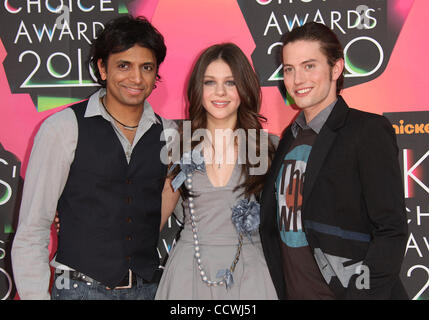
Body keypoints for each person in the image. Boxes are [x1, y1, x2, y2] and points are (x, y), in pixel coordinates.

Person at [11, 15, 176, 300]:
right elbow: (32, 228)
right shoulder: (63, 128)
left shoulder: (170, 133)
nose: (136, 78)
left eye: (146, 67)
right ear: (102, 68)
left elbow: (179, 203)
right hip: (79, 290)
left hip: (148, 290)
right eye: (124, 66)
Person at [259, 22, 408, 300]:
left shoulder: (367, 131)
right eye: (289, 69)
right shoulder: (288, 139)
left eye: (309, 66)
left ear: (336, 68)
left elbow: (391, 230)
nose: (297, 79)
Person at [155, 43, 278, 299]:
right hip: (189, 276)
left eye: (231, 82)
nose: (220, 92)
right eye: (210, 82)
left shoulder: (268, 147)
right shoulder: (178, 146)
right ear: (198, 89)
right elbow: (151, 218)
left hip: (251, 275)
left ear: (244, 87)